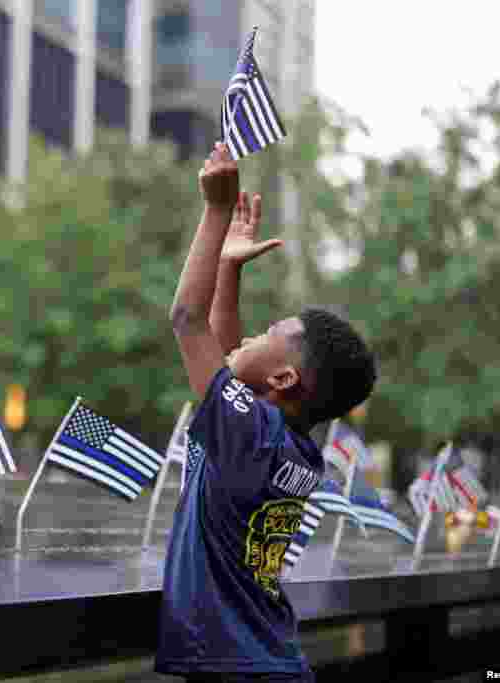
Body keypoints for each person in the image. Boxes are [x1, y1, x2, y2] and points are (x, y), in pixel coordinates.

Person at [155, 143, 377, 682]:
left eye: (268, 334)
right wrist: (227, 271)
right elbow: (229, 368)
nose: (255, 333)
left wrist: (214, 211)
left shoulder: (252, 437)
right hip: (265, 662)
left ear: (283, 380)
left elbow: (188, 319)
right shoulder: (291, 447)